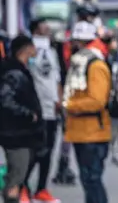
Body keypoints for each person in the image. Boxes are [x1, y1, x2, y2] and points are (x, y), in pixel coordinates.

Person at [63, 20, 112, 203]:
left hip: (93, 132)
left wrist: (70, 105)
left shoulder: (95, 65)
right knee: (89, 180)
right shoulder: (83, 63)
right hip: (83, 132)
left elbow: (97, 101)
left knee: (92, 180)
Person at [0, 35, 43, 203]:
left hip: (19, 133)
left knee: (17, 175)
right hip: (16, 135)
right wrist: (28, 114)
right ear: (25, 48)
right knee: (16, 177)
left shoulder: (18, 70)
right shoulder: (14, 73)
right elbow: (6, 100)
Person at [24, 19, 63, 203]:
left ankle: (42, 188)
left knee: (48, 151)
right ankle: (22, 186)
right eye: (43, 28)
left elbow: (56, 78)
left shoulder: (53, 51)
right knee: (34, 151)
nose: (48, 30)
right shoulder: (29, 52)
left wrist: (59, 100)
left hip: (51, 109)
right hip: (35, 108)